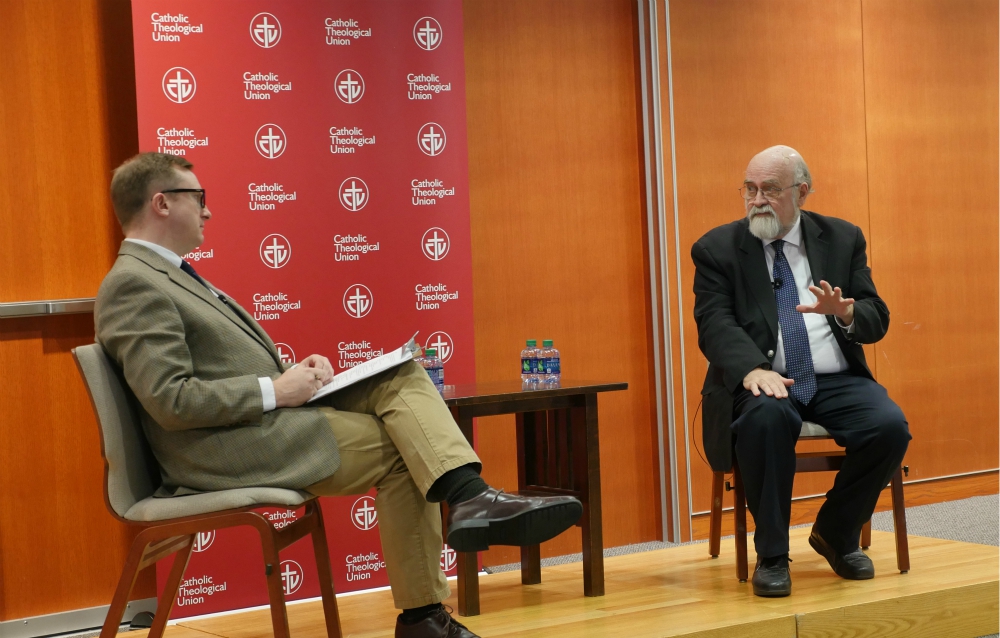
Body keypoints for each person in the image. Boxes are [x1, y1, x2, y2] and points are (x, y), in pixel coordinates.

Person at [95, 152, 583, 637]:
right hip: (220, 451)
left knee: (401, 376)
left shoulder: (171, 274)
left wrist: (294, 375)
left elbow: (215, 370)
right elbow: (171, 401)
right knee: (403, 452)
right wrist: (275, 389)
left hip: (256, 424)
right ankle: (424, 619)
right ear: (161, 203)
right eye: (197, 197)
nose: (208, 210)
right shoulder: (135, 284)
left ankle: (470, 497)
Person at [691, 145, 910, 598]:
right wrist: (752, 367)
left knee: (888, 427)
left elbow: (875, 315)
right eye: (749, 189)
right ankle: (772, 555)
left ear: (801, 192)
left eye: (769, 189)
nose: (756, 200)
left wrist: (847, 314)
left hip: (834, 377)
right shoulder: (717, 248)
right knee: (768, 418)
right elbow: (714, 322)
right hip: (763, 379)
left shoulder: (842, 237)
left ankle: (836, 531)